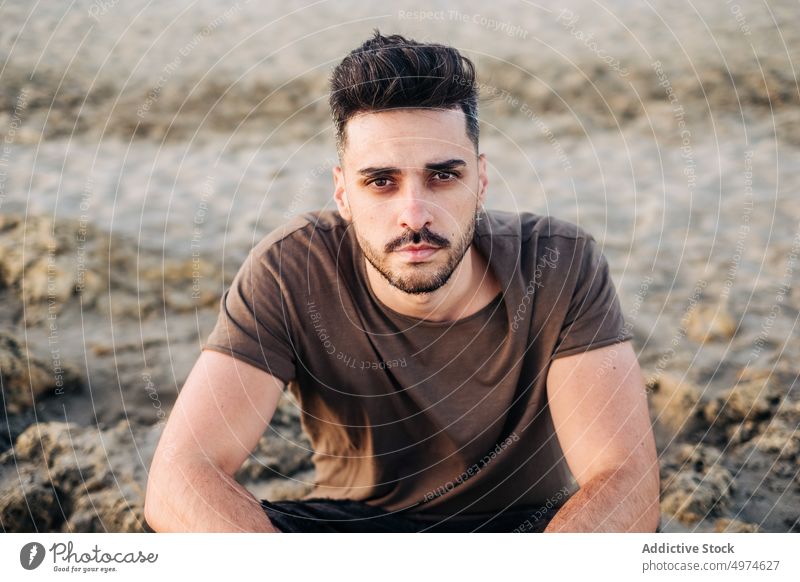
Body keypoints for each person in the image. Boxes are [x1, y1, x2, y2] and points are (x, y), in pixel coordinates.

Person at [144, 29, 659, 533]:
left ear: (480, 181)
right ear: (343, 192)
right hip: (357, 531)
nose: (415, 214)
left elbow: (625, 480)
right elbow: (180, 478)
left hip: (524, 533)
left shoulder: (558, 263)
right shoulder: (291, 269)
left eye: (442, 176)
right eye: (381, 182)